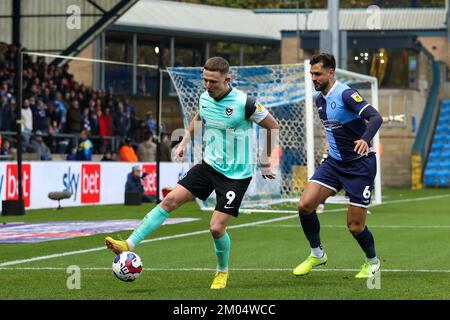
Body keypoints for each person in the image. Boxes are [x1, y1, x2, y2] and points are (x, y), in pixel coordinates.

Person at [105, 56, 280, 289]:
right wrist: (185, 141)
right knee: (169, 200)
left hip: (236, 175)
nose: (207, 86)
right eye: (205, 80)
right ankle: (128, 244)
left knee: (216, 227)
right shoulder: (204, 97)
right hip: (209, 166)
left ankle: (221, 271)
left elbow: (273, 126)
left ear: (227, 79)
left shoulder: (244, 103)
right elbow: (200, 118)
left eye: (213, 82)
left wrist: (266, 159)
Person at [292, 53, 383, 279]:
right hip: (334, 163)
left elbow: (376, 117)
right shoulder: (319, 99)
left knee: (355, 226)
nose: (313, 78)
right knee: (305, 205)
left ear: (330, 73)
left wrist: (364, 138)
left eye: (318, 74)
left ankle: (372, 261)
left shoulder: (346, 94)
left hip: (360, 165)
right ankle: (317, 254)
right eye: (311, 74)